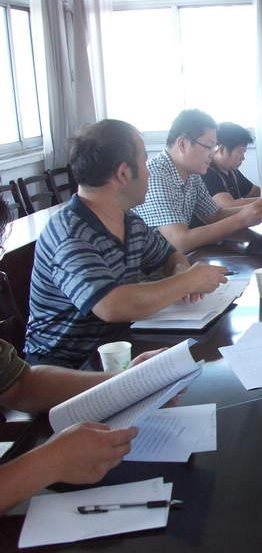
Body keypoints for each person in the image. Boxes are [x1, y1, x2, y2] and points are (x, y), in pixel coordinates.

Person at [0, 195, 171, 516]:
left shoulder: (129, 221)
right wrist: (46, 463)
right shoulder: (70, 230)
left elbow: (19, 384)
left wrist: (127, 381)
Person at [25, 119, 229, 368]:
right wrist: (187, 281)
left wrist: (181, 273)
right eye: (143, 162)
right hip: (66, 367)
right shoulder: (69, 232)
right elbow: (111, 305)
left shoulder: (128, 220)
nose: (148, 172)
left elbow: (169, 256)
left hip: (118, 347)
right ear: (123, 174)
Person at [133, 109, 262, 254]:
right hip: (151, 265)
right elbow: (180, 242)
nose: (212, 154)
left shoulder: (192, 176)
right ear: (183, 144)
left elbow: (216, 216)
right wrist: (240, 219)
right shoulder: (156, 176)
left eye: (214, 147)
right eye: (208, 147)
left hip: (175, 259)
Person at [200, 121, 260, 208]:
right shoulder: (207, 172)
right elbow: (228, 205)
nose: (243, 158)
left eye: (244, 152)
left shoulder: (232, 170)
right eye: (240, 152)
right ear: (222, 149)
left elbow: (255, 191)